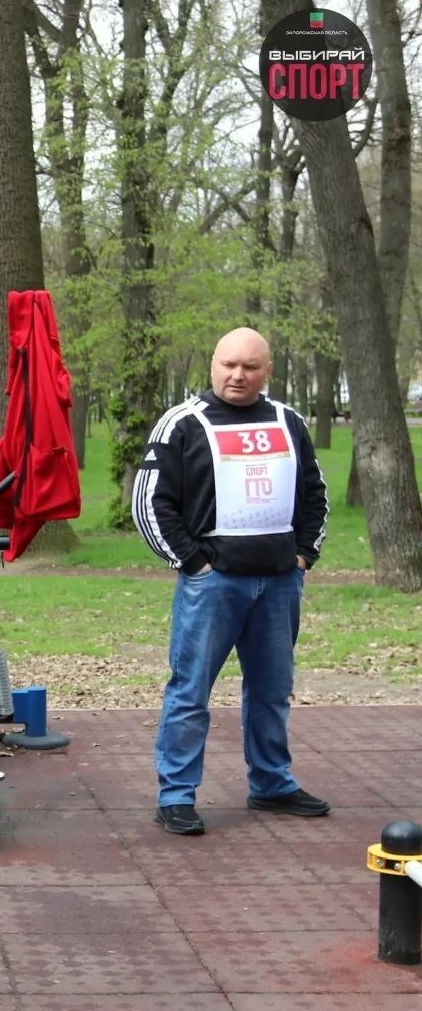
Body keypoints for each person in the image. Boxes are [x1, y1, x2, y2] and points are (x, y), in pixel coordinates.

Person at [132, 327, 330, 836]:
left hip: (280, 583)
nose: (238, 375)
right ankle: (176, 795)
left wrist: (303, 555)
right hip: (213, 585)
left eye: (250, 366)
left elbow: (314, 492)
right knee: (190, 692)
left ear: (268, 371)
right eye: (229, 365)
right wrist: (193, 563)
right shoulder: (182, 422)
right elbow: (150, 502)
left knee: (272, 691)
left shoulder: (288, 421)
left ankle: (272, 784)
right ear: (213, 365)